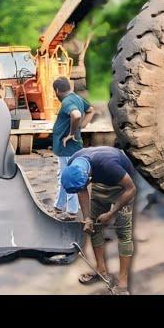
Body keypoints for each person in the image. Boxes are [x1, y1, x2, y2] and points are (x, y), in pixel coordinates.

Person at [61, 146, 138, 295]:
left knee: (124, 233)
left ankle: (123, 283)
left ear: (88, 176)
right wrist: (87, 218)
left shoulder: (109, 165)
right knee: (94, 228)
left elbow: (131, 189)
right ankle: (101, 271)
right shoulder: (73, 163)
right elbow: (82, 189)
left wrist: (111, 212)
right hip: (100, 185)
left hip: (122, 188)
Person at [51, 76, 95, 221]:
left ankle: (71, 212)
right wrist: (81, 127)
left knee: (69, 176)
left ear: (57, 90)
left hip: (67, 148)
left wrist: (71, 133)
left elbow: (75, 115)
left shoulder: (68, 101)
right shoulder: (76, 98)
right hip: (69, 148)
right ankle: (59, 206)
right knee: (63, 176)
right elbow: (91, 110)